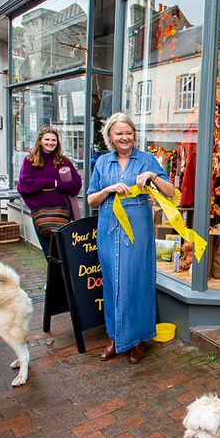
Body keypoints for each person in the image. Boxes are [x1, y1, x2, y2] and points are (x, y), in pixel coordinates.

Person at [87, 112, 175, 364]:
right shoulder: (103, 163)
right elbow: (91, 199)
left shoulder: (147, 159)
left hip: (138, 229)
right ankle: (115, 338)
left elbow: (171, 192)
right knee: (113, 283)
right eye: (119, 133)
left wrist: (153, 177)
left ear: (134, 135)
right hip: (108, 227)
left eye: (129, 132)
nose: (124, 137)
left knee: (137, 281)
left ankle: (138, 340)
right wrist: (108, 189)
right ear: (110, 137)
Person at [16, 126, 83, 258]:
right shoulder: (30, 161)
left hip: (62, 214)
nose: (50, 143)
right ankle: (53, 279)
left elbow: (76, 186)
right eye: (47, 139)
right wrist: (51, 182)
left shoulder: (63, 161)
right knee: (49, 254)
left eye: (54, 140)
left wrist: (57, 184)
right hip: (41, 214)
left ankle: (63, 279)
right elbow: (25, 186)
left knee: (62, 254)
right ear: (40, 141)